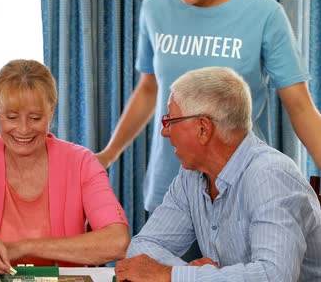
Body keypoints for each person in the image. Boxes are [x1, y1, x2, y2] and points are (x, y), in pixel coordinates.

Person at [95, 0, 321, 217]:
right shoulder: (154, 9)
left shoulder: (264, 14)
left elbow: (300, 107)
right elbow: (149, 89)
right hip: (170, 187)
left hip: (242, 189)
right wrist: (109, 154)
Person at [114, 67, 321, 282]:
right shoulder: (190, 177)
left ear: (203, 128)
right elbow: (142, 248)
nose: (164, 132)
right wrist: (201, 277)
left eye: (170, 121)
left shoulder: (270, 176)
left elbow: (275, 276)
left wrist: (173, 275)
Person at [0, 59, 130, 274]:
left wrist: (23, 247)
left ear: (51, 110)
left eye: (35, 118)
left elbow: (117, 241)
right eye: (11, 117)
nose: (23, 129)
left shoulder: (82, 161)